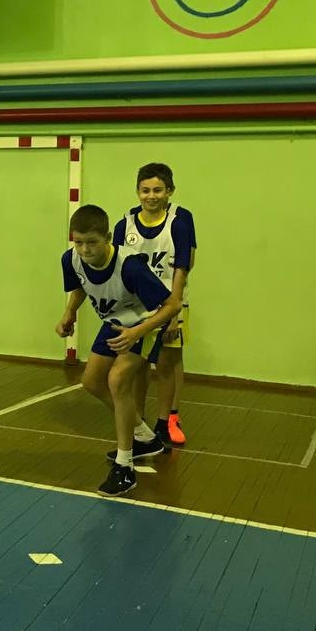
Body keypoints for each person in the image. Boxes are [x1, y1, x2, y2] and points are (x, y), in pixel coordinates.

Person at [56, 204, 183, 496]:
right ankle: (145, 437)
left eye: (92, 242)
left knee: (117, 381)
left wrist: (138, 332)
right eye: (78, 242)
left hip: (145, 323)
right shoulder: (71, 259)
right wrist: (69, 313)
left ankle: (125, 466)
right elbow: (80, 285)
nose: (85, 249)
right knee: (91, 382)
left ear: (108, 237)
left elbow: (172, 305)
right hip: (114, 322)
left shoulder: (130, 266)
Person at [115, 162, 197, 446]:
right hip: (136, 308)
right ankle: (138, 421)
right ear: (137, 191)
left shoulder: (179, 222)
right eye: (145, 190)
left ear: (169, 191)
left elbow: (182, 268)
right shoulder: (125, 224)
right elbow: (117, 268)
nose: (151, 195)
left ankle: (167, 420)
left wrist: (173, 311)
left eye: (158, 190)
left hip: (169, 302)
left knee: (166, 363)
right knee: (137, 366)